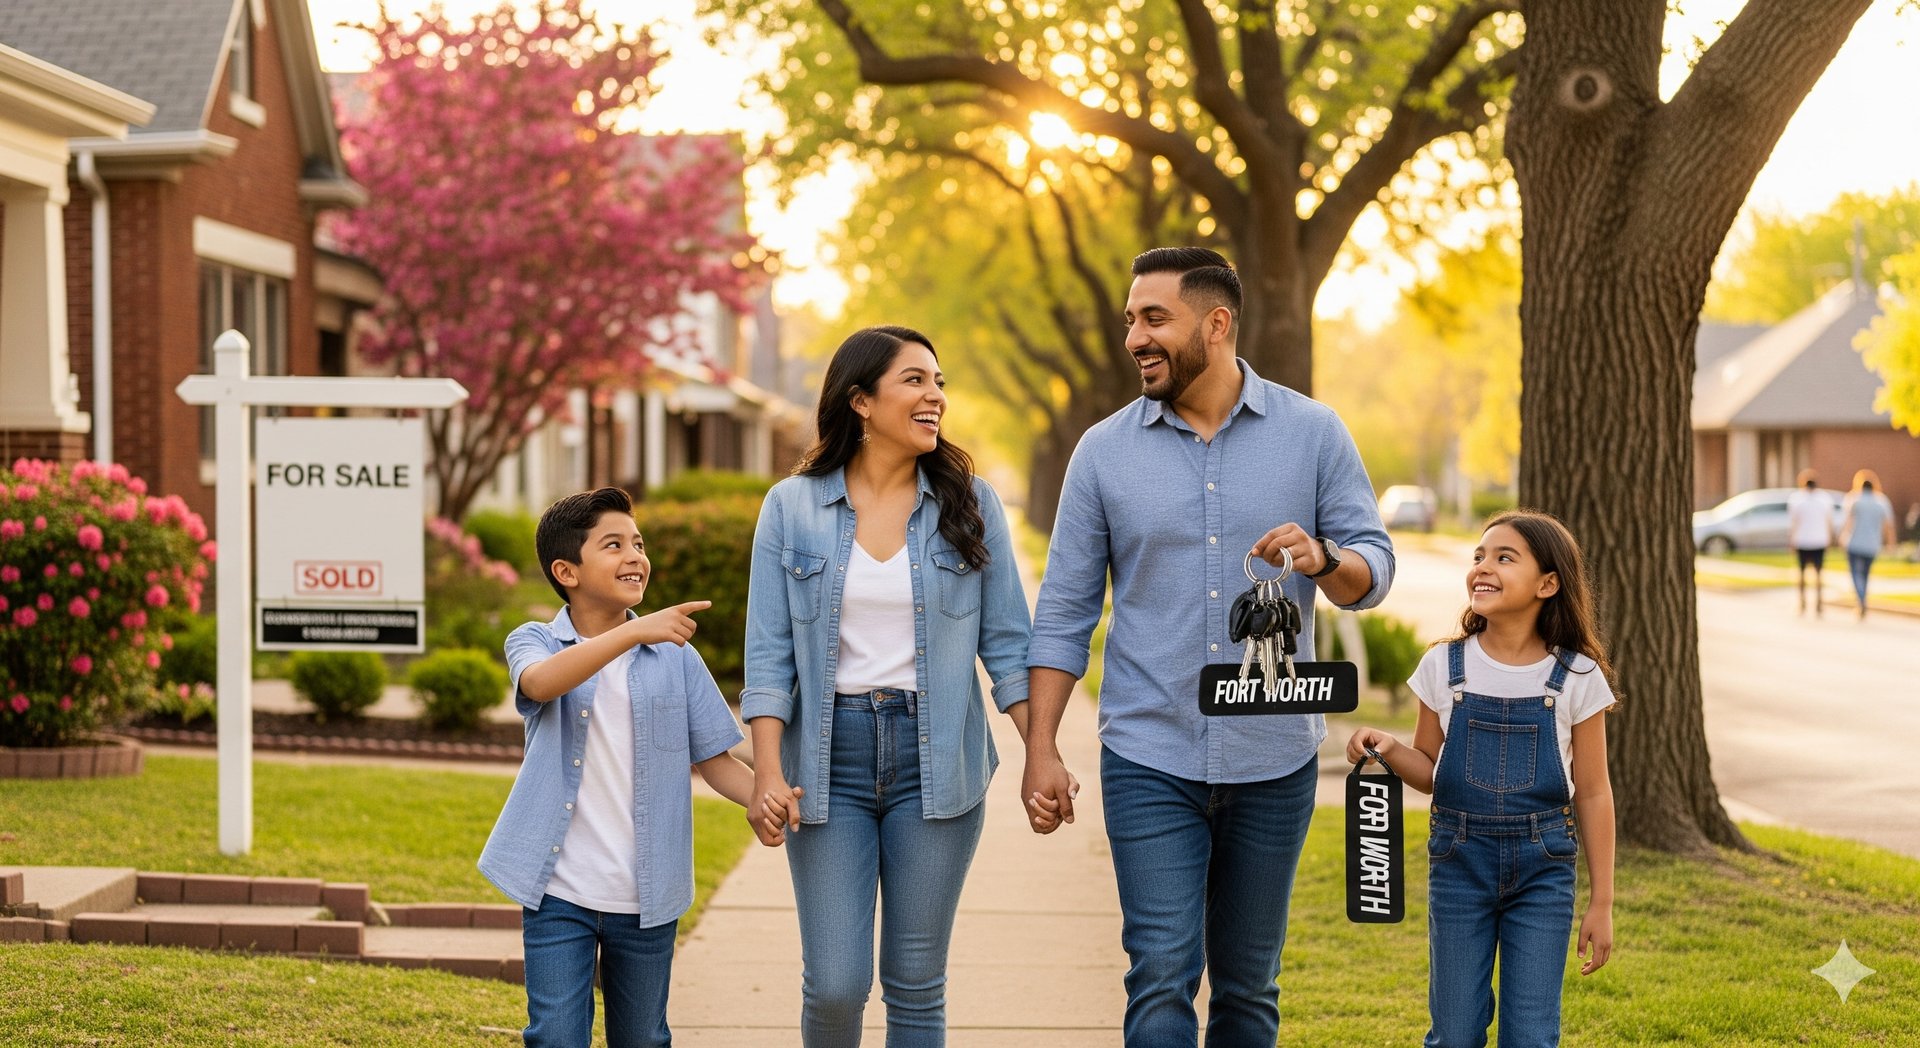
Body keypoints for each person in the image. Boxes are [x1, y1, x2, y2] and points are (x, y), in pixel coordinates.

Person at [1021, 247, 1395, 1046]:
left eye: (1154, 318)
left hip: (1276, 757)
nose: (1135, 338)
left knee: (1250, 988)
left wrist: (1325, 556)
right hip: (1149, 754)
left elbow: (1375, 567)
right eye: (1130, 320)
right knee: (1160, 972)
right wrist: (1041, 746)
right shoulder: (1103, 452)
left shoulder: (1314, 433)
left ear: (1216, 324)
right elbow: (1063, 613)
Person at [741, 325, 1039, 1047]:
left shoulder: (972, 505)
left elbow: (1007, 646)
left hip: (938, 763)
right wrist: (768, 773)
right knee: (837, 983)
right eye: (914, 380)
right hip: (826, 765)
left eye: (938, 382)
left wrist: (1042, 753)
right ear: (861, 401)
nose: (934, 395)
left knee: (914, 982)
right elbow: (769, 654)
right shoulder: (792, 506)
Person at [478, 486, 764, 1048]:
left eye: (638, 542)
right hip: (559, 891)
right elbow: (538, 683)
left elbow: (714, 759)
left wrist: (764, 797)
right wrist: (633, 630)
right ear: (568, 570)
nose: (635, 555)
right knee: (555, 1036)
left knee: (643, 1038)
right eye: (614, 545)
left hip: (647, 895)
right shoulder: (536, 640)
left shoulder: (674, 655)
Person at [1346, 510, 1617, 1048]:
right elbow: (1429, 772)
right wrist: (1390, 747)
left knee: (1531, 1035)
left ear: (1548, 584)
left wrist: (1602, 902)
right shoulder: (1444, 665)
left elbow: (1592, 791)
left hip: (1544, 871)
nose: (1483, 567)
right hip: (1458, 866)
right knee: (1454, 1032)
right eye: (1479, 556)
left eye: (1504, 557)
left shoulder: (1578, 675)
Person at [1840, 470, 1897, 619]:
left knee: (1855, 574)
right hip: (1872, 544)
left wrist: (1842, 538)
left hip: (1854, 543)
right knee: (1865, 574)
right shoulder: (1881, 501)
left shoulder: (1854, 499)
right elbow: (1889, 525)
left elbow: (1848, 522)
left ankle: (1861, 599)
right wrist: (1891, 544)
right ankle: (1862, 598)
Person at [1786, 470, 1837, 616]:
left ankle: (1802, 601)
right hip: (1819, 540)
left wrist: (1791, 541)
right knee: (1819, 574)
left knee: (1801, 574)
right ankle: (1819, 602)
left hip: (1802, 540)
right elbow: (1829, 522)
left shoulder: (1796, 499)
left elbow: (1793, 523)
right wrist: (1829, 539)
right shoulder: (1825, 499)